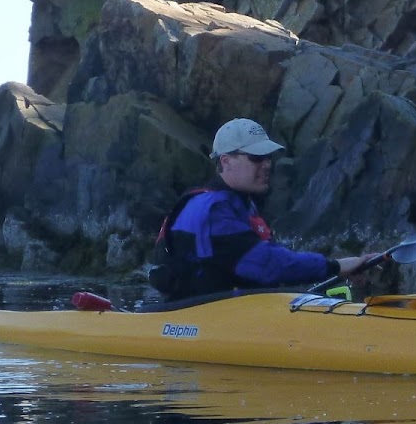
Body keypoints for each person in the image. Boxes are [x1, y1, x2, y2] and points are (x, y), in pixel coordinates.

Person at [151, 118, 377, 300]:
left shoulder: (240, 203)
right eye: (256, 158)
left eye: (268, 157)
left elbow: (272, 259)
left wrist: (340, 268)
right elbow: (267, 264)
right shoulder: (213, 210)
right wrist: (336, 266)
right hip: (201, 320)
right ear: (226, 161)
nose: (267, 165)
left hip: (232, 313)